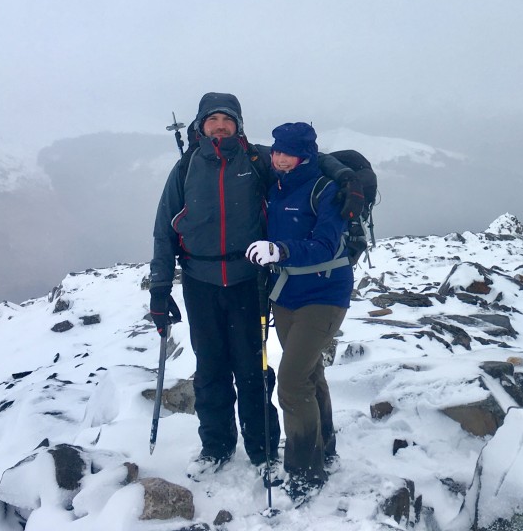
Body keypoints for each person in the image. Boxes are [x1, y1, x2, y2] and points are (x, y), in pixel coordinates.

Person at [148, 93, 362, 479]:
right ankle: (215, 446)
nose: (220, 126)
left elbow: (308, 158)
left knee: (252, 368)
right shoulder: (185, 168)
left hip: (249, 282)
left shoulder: (257, 159)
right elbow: (164, 231)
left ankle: (263, 448)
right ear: (200, 125)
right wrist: (160, 291)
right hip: (200, 282)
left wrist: (347, 177)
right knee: (210, 370)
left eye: (227, 119)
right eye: (212, 119)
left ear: (238, 124)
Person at [246, 122, 354, 503]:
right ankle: (326, 447)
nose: (278, 157)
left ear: (305, 155)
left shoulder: (325, 190)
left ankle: (305, 471)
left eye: (287, 152)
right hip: (286, 296)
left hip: (324, 294)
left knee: (291, 382)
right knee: (310, 372)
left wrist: (282, 251)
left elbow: (326, 243)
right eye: (276, 151)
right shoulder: (275, 187)